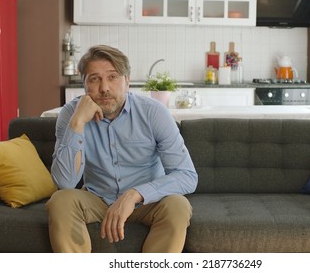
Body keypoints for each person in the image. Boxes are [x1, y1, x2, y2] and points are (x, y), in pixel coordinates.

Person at [46, 44, 198, 253]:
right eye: (94, 79)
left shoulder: (154, 113)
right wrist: (78, 122)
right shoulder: (71, 114)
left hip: (147, 203)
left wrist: (134, 195)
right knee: (60, 201)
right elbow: (65, 182)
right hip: (97, 198)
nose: (104, 88)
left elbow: (187, 175)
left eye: (113, 77)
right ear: (84, 85)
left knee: (178, 206)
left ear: (127, 81)